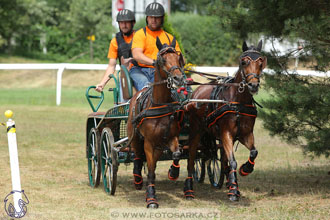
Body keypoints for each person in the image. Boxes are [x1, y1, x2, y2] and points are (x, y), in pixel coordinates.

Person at [130, 2, 181, 91]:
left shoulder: (170, 38)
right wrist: (155, 62)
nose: (153, 20)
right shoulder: (140, 34)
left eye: (157, 17)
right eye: (151, 17)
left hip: (160, 72)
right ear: (147, 18)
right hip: (139, 70)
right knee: (145, 85)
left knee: (175, 90)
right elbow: (137, 55)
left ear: (162, 18)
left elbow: (178, 58)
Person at [95, 9, 136, 93]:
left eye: (127, 22)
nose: (124, 25)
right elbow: (111, 66)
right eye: (121, 23)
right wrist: (102, 83)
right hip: (126, 76)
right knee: (123, 101)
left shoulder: (140, 37)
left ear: (133, 23)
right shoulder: (115, 41)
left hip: (141, 72)